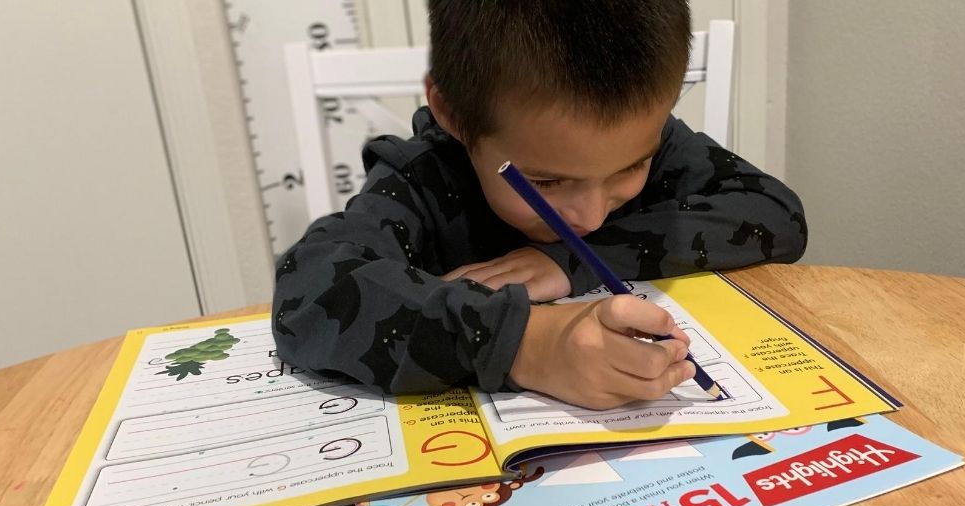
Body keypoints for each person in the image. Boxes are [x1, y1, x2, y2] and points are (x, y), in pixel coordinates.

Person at [272, 0, 806, 410]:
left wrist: (572, 260)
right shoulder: (421, 178)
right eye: (546, 183)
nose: (589, 215)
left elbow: (775, 213)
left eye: (629, 169)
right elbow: (312, 290)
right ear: (453, 113)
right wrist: (528, 345)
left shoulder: (657, 141)